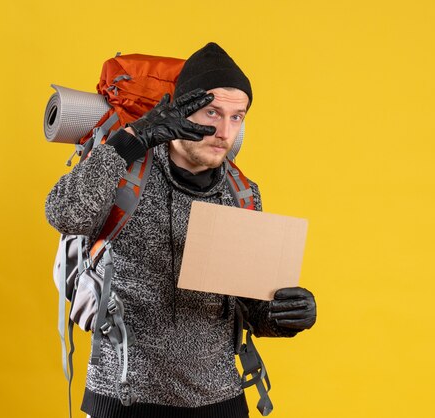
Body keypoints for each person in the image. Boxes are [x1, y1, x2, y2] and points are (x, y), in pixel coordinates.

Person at [45, 42, 317, 418]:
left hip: (219, 399)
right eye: (212, 113)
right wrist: (134, 138)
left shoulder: (241, 193)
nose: (224, 131)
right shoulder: (124, 169)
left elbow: (251, 308)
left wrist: (287, 314)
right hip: (123, 397)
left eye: (237, 117)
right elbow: (64, 212)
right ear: (182, 110)